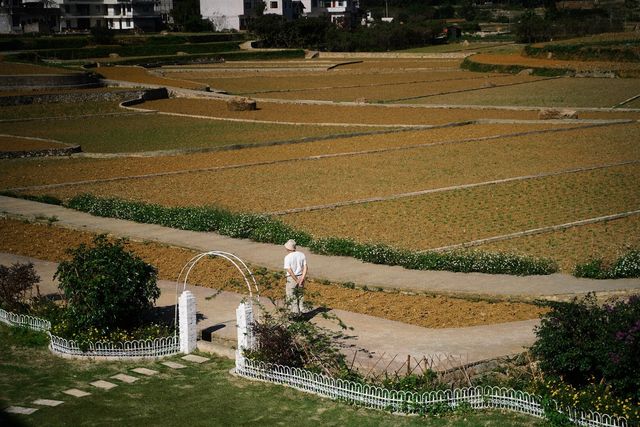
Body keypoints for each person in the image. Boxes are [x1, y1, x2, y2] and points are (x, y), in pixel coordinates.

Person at [283, 239, 307, 314]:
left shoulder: (287, 257)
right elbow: (305, 267)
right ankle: (302, 310)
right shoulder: (301, 254)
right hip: (301, 276)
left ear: (288, 248)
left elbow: (289, 270)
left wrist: (296, 279)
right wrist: (302, 278)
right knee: (300, 295)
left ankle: (294, 313)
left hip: (292, 278)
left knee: (291, 295)